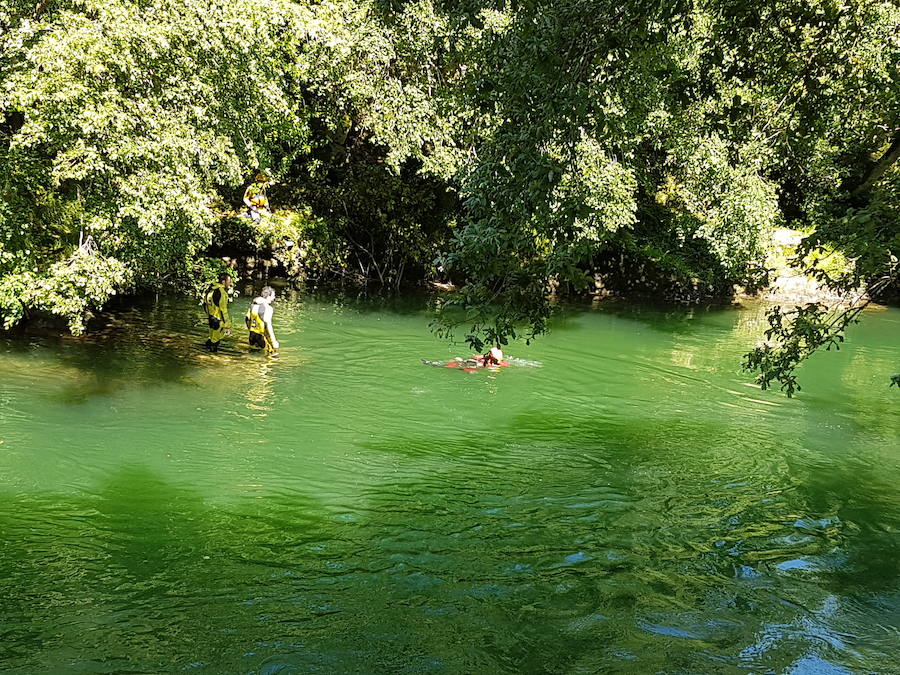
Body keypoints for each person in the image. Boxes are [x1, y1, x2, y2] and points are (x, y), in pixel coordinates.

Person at [203, 273, 233, 352]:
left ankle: (205, 355)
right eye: (229, 281)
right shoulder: (221, 292)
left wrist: (209, 315)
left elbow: (204, 303)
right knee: (215, 341)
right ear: (223, 282)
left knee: (211, 338)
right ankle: (212, 359)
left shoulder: (210, 289)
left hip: (211, 318)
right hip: (218, 320)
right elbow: (223, 310)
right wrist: (228, 325)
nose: (230, 284)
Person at [245, 286, 280, 354]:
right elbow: (268, 325)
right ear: (269, 296)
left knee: (253, 354)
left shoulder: (253, 305)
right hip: (261, 336)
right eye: (273, 296)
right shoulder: (268, 308)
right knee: (272, 355)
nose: (274, 298)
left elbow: (247, 319)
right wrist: (273, 341)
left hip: (252, 335)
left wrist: (250, 329)